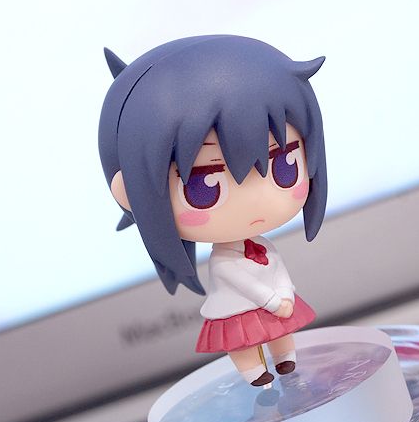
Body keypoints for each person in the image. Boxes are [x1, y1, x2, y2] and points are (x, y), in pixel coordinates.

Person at [98, 35, 327, 386]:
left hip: (275, 301)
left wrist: (284, 291)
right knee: (243, 342)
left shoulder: (261, 246)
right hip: (242, 306)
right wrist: (271, 299)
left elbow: (276, 268)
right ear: (129, 191)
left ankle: (285, 359)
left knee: (282, 329)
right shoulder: (224, 261)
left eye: (285, 166)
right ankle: (255, 372)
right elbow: (240, 280)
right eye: (204, 187)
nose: (257, 200)